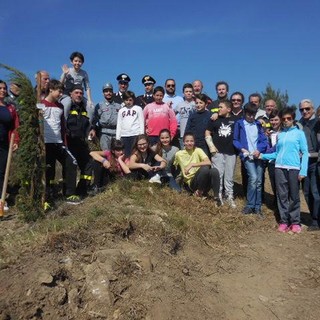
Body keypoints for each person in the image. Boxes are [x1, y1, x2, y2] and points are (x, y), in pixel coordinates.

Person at [261, 107, 308, 233]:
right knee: (282, 196)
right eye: (284, 119)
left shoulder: (299, 134)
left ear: (293, 119)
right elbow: (277, 153)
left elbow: (305, 152)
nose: (286, 120)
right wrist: (262, 155)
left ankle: (295, 222)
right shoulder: (280, 135)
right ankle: (284, 221)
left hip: (294, 169)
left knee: (294, 196)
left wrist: (303, 171)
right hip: (279, 168)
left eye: (289, 118)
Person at [40, 79, 79, 205]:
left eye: (62, 91)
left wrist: (64, 142)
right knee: (48, 170)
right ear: (51, 90)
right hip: (45, 143)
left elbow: (62, 125)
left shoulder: (60, 106)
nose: (61, 94)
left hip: (58, 142)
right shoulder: (40, 104)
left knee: (71, 162)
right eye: (59, 91)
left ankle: (69, 194)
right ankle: (47, 197)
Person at [233, 102, 268, 216]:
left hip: (258, 156)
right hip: (247, 156)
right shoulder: (239, 124)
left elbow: (264, 141)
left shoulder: (258, 124)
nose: (251, 117)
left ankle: (257, 207)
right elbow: (235, 140)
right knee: (252, 178)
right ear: (245, 113)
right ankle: (249, 205)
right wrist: (242, 149)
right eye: (249, 114)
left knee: (258, 181)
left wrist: (259, 150)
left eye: (253, 114)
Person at [205, 100, 237, 208]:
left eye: (221, 107)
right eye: (218, 107)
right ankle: (217, 196)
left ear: (229, 109)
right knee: (218, 174)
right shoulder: (214, 119)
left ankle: (229, 196)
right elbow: (207, 132)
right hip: (217, 152)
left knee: (229, 176)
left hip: (231, 152)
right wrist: (211, 146)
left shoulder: (235, 120)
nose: (218, 109)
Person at [174, 132, 220, 204]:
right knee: (205, 169)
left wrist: (192, 165)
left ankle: (216, 198)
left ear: (194, 142)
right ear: (183, 142)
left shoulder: (198, 150)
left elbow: (208, 162)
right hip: (191, 183)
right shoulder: (179, 154)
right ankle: (199, 193)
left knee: (214, 170)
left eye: (191, 141)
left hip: (202, 178)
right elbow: (175, 167)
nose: (189, 143)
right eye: (187, 141)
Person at [66, 84, 92, 197]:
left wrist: (91, 130)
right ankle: (68, 192)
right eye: (76, 92)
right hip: (70, 141)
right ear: (70, 94)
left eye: (81, 93)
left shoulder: (84, 108)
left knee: (88, 164)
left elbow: (87, 124)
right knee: (71, 166)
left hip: (82, 142)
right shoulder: (67, 107)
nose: (79, 95)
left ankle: (82, 190)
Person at [298, 99, 320, 231]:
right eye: (302, 109)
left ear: (312, 108)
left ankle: (317, 220)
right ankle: (314, 217)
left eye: (307, 109)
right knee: (306, 192)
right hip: (303, 163)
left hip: (316, 161)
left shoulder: (318, 122)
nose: (304, 111)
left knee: (316, 191)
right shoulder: (299, 124)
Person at [0, 80, 19, 212]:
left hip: (4, 144)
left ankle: (1, 199)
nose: (2, 90)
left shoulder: (9, 108)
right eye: (0, 88)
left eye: (4, 88)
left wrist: (16, 141)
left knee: (1, 172)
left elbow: (15, 126)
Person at [60, 51, 93, 119]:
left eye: (80, 61)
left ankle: (89, 127)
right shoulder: (67, 71)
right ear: (71, 62)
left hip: (79, 95)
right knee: (67, 104)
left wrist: (89, 100)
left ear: (82, 63)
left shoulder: (84, 73)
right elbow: (60, 84)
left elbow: (87, 87)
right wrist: (65, 74)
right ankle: (65, 124)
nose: (77, 63)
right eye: (75, 61)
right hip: (67, 95)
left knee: (91, 107)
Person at [89, 83, 121, 151]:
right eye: (106, 91)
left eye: (110, 91)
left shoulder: (118, 106)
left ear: (112, 92)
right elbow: (95, 119)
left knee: (116, 153)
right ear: (103, 93)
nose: (108, 93)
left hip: (116, 133)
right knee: (106, 154)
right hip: (104, 133)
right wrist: (93, 129)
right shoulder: (99, 105)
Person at [116, 91, 144, 157]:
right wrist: (118, 138)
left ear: (133, 100)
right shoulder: (121, 110)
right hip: (124, 135)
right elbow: (119, 124)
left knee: (135, 154)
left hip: (135, 134)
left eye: (130, 100)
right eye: (126, 100)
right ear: (123, 100)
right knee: (126, 154)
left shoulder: (138, 108)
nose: (128, 102)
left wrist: (141, 135)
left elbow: (141, 122)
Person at [265, 109, 282, 212]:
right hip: (272, 163)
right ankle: (277, 204)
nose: (274, 122)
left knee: (282, 187)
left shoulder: (285, 132)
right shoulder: (268, 133)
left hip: (283, 163)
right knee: (274, 184)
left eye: (276, 120)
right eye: (272, 120)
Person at [175, 83, 196, 148]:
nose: (188, 93)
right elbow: (172, 115)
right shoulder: (180, 105)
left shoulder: (196, 104)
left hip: (193, 134)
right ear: (183, 93)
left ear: (193, 93)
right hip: (183, 134)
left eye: (190, 91)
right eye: (186, 91)